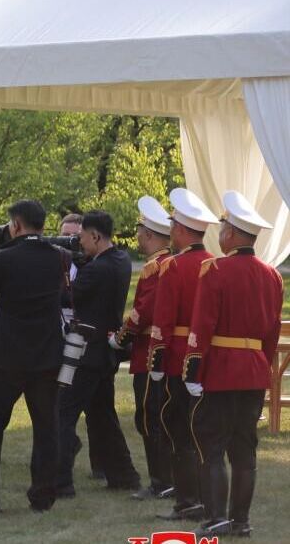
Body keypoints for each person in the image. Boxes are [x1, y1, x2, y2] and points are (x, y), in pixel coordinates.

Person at [184, 191, 283, 539]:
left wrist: (192, 370)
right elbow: (270, 336)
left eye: (224, 226)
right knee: (244, 451)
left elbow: (202, 326)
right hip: (254, 371)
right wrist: (264, 371)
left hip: (221, 371)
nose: (221, 233)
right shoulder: (273, 275)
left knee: (211, 447)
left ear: (233, 234)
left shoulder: (215, 270)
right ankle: (240, 521)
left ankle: (215, 520)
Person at [0, 200, 64, 514]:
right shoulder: (58, 257)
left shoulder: (4, 259)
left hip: (9, 357)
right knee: (45, 427)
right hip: (47, 355)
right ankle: (43, 496)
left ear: (16, 225)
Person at [56, 210, 141, 497]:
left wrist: (63, 268)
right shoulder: (121, 260)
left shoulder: (95, 269)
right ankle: (124, 474)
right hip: (105, 350)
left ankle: (61, 480)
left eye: (81, 238)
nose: (78, 243)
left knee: (63, 412)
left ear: (95, 236)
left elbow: (69, 296)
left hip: (85, 350)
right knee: (103, 415)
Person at [149, 188, 219, 521]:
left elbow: (162, 321)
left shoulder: (173, 267)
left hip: (178, 359)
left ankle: (187, 500)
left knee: (177, 428)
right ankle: (205, 498)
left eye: (174, 224)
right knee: (202, 430)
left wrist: (156, 363)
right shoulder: (215, 265)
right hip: (209, 360)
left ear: (180, 228)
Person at [110, 196, 174, 501]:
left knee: (149, 418)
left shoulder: (155, 268)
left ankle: (162, 481)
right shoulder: (168, 263)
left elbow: (142, 312)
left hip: (150, 352)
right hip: (166, 351)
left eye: (139, 232)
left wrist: (120, 338)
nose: (136, 237)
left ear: (149, 234)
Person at [59, 212, 105, 482]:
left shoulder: (92, 265)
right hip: (58, 339)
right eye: (63, 236)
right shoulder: (54, 262)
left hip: (85, 341)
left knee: (93, 407)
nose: (68, 242)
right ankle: (68, 446)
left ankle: (99, 464)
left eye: (74, 237)